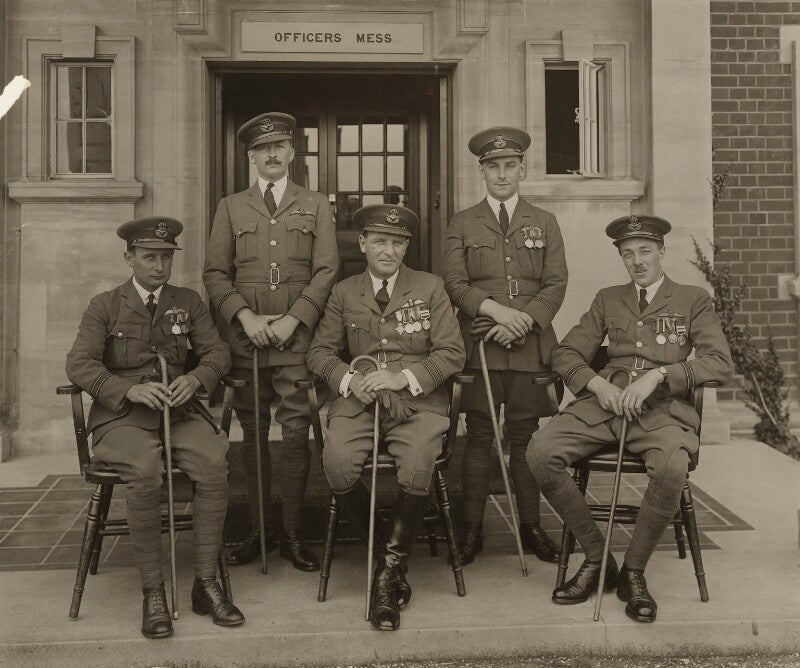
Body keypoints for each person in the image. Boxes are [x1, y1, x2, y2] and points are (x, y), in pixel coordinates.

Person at [527, 215, 733, 623]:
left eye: (644, 251)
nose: (637, 261)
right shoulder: (608, 299)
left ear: (660, 252)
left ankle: (634, 572)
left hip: (660, 412)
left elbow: (719, 363)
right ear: (620, 257)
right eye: (627, 254)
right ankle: (598, 558)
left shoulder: (692, 299)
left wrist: (661, 375)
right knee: (540, 451)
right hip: (605, 405)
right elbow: (566, 353)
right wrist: (597, 386)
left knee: (673, 467)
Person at [66, 217, 244, 639]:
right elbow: (79, 362)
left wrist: (195, 380)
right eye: (150, 257)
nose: (159, 266)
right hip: (125, 417)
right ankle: (154, 593)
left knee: (213, 461)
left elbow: (218, 353)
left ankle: (206, 584)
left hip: (179, 414)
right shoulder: (105, 305)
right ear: (129, 258)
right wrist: (125, 391)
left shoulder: (189, 301)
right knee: (144, 473)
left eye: (166, 257)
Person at [306, 204, 465, 631]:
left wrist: (403, 378)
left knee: (417, 467)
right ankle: (387, 560)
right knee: (337, 464)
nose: (388, 250)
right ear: (362, 244)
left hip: (417, 402)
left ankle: (387, 573)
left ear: (407, 246)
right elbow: (319, 353)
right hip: (359, 399)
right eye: (379, 241)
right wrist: (348, 381)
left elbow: (452, 353)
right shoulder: (343, 291)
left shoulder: (430, 288)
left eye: (397, 242)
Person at [204, 112, 339, 571]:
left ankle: (294, 532)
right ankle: (260, 527)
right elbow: (215, 273)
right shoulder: (230, 206)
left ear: (293, 152)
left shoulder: (315, 204)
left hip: (295, 340)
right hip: (247, 341)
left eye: (280, 146)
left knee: (297, 431)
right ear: (251, 156)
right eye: (263, 149)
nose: (272, 154)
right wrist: (244, 316)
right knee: (254, 431)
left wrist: (292, 321)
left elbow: (326, 272)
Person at [442, 126, 567, 565]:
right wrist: (498, 313)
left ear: (523, 170)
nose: (501, 174)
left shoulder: (545, 221)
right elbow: (455, 286)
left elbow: (555, 284)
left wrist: (524, 321)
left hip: (530, 345)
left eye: (509, 166)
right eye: (492, 167)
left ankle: (531, 526)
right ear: (482, 172)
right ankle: (472, 529)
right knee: (477, 437)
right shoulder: (461, 221)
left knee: (525, 436)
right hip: (480, 343)